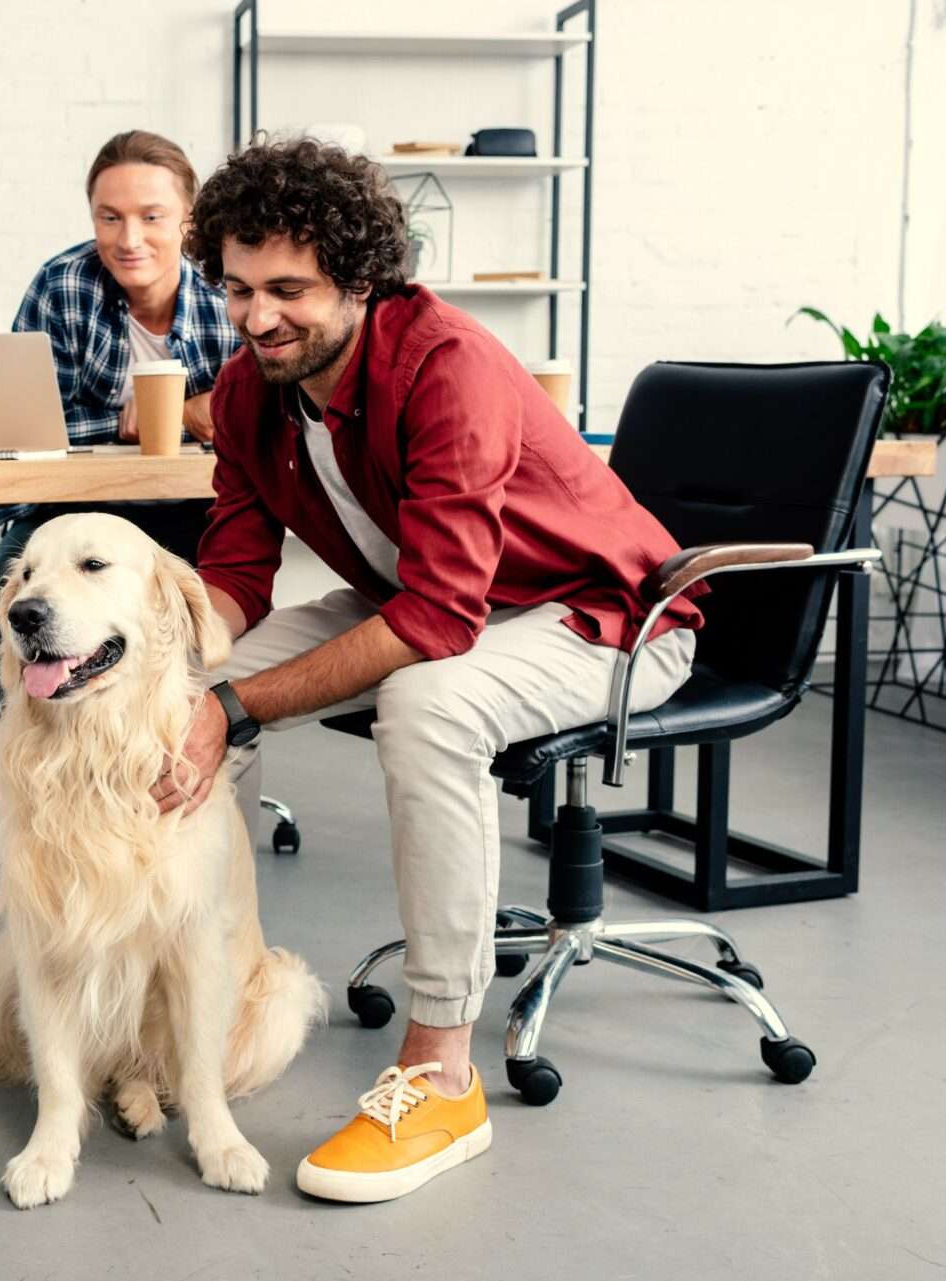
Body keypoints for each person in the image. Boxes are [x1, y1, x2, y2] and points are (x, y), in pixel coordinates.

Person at [162, 138, 705, 1203]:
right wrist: (189, 681)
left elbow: (437, 622)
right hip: (427, 595)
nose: (258, 317)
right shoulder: (244, 389)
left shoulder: (446, 365)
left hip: (601, 617)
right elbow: (233, 572)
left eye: (289, 291)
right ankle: (186, 1004)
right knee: (163, 697)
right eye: (235, 288)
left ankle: (440, 1071)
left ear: (361, 280)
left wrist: (233, 704)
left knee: (426, 704)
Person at [0, 129, 242, 714]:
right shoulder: (61, 286)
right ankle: (55, 771)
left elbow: (266, 409)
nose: (129, 238)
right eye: (109, 218)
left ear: (190, 222)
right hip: (68, 509)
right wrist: (126, 422)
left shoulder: (230, 293)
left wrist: (195, 410)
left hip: (202, 508)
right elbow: (29, 427)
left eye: (152, 216)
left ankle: (173, 770)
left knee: (197, 631)